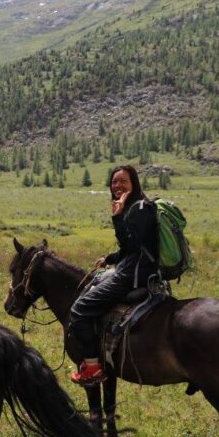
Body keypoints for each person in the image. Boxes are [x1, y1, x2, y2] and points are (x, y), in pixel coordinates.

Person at [69, 165, 158, 385]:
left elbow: (131, 244)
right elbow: (134, 248)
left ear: (133, 183)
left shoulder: (139, 208)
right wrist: (109, 259)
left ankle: (92, 366)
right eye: (114, 182)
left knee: (79, 310)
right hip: (134, 268)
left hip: (132, 276)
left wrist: (117, 217)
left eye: (123, 181)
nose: (117, 186)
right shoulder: (136, 207)